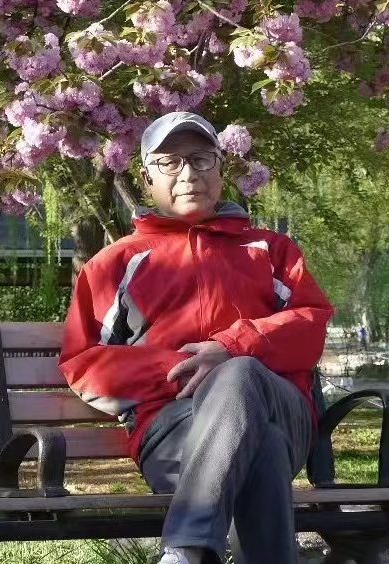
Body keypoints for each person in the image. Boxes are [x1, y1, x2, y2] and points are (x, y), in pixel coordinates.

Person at [59, 111, 334, 564]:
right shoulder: (115, 263)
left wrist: (229, 348)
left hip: (282, 411)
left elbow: (310, 327)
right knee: (261, 449)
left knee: (240, 372)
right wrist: (183, 369)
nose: (189, 174)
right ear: (146, 180)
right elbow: (84, 363)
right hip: (172, 428)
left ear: (221, 170)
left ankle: (185, 549)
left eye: (202, 159)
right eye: (170, 162)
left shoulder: (271, 250)